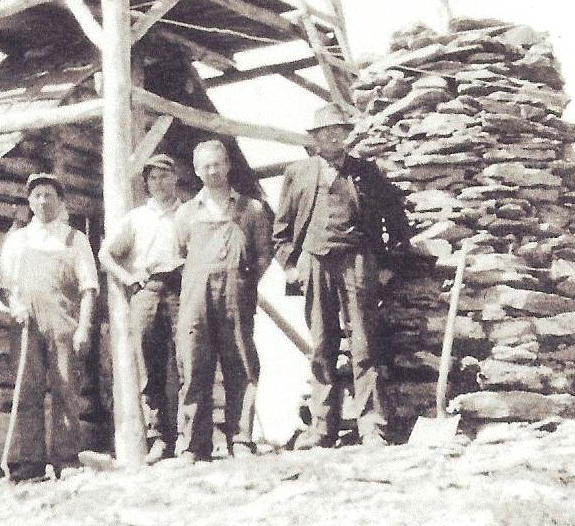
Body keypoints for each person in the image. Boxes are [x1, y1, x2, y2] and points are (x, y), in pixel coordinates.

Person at [272, 105, 413, 447]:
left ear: (346, 135)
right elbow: (281, 229)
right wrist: (291, 266)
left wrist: (391, 262)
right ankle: (322, 428)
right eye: (325, 132)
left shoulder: (365, 172)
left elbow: (395, 214)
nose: (332, 136)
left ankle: (371, 426)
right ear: (315, 138)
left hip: (358, 262)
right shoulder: (298, 173)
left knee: (365, 344)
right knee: (322, 345)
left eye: (338, 130)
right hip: (316, 263)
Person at [174, 140, 272, 462]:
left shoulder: (251, 209)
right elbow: (180, 254)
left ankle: (240, 439)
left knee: (240, 364)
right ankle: (193, 444)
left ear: (228, 165)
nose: (213, 171)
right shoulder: (186, 213)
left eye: (218, 164)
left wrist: (241, 282)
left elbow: (263, 255)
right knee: (194, 365)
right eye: (206, 166)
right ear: (198, 171)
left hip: (235, 296)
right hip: (196, 298)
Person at [0, 172, 99, 478]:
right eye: (37, 195)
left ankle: (66, 459)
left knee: (65, 389)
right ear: (29, 201)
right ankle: (31, 461)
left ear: (60, 201)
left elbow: (89, 287)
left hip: (63, 326)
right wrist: (14, 306)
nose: (43, 201)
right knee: (28, 391)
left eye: (49, 195)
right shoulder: (18, 240)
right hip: (27, 326)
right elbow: (3, 285)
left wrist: (83, 327)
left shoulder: (73, 239)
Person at [97, 153, 183, 463]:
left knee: (186, 360)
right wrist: (128, 278)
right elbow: (106, 255)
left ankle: (187, 436)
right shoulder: (137, 218)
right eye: (153, 177)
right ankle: (157, 437)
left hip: (182, 289)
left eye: (164, 175)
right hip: (147, 291)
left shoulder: (186, 213)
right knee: (150, 364)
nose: (159, 182)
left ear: (175, 178)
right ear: (146, 183)